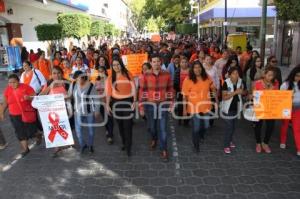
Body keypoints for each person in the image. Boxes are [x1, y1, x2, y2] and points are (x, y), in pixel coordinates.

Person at [139, 54, 174, 161]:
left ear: (161, 62)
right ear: (151, 63)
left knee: (163, 129)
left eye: (158, 61)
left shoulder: (167, 74)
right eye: (154, 62)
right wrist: (141, 106)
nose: (156, 63)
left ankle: (164, 150)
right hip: (150, 105)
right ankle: (154, 138)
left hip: (163, 105)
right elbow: (142, 91)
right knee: (152, 127)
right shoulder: (146, 75)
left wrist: (172, 103)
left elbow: (170, 89)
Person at [182, 61, 217, 153]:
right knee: (196, 127)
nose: (197, 69)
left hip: (206, 106)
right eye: (195, 67)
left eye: (199, 67)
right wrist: (185, 109)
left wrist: (215, 99)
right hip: (193, 107)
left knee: (206, 125)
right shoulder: (188, 79)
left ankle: (201, 135)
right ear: (192, 69)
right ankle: (196, 145)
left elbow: (213, 87)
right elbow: (185, 95)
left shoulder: (207, 77)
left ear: (202, 68)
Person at [0, 74, 37, 157]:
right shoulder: (8, 90)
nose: (12, 84)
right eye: (10, 82)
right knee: (19, 131)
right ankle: (25, 149)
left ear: (18, 81)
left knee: (31, 132)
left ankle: (37, 134)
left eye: (14, 82)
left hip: (27, 113)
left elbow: (35, 97)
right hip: (14, 115)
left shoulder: (26, 87)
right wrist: (2, 112)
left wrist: (29, 98)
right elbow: (5, 102)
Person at [106, 57, 136, 157]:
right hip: (116, 103)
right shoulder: (110, 78)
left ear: (121, 64)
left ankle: (128, 146)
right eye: (114, 65)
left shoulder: (128, 74)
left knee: (128, 125)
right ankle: (124, 142)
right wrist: (107, 105)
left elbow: (134, 88)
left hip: (128, 102)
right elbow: (109, 93)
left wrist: (135, 101)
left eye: (118, 64)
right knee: (120, 125)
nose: (116, 67)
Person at [39, 66, 72, 157]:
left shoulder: (67, 83)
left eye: (58, 73)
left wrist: (63, 98)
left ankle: (65, 143)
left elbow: (71, 96)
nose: (56, 75)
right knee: (54, 127)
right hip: (51, 110)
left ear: (61, 73)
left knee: (63, 126)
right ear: (51, 74)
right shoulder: (49, 82)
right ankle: (56, 147)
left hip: (64, 108)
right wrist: (50, 86)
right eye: (54, 73)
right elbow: (41, 95)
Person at [69, 71, 100, 154]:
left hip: (89, 112)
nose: (77, 80)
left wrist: (96, 111)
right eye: (76, 78)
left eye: (79, 78)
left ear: (83, 77)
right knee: (78, 131)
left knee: (91, 131)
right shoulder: (73, 85)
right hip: (78, 112)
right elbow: (69, 96)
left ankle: (90, 145)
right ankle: (83, 145)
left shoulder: (90, 86)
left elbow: (96, 99)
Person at [252, 67, 279, 153]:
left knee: (270, 126)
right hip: (260, 107)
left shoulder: (275, 83)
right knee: (258, 125)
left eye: (273, 75)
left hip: (271, 108)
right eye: (269, 75)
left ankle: (265, 143)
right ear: (264, 75)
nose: (271, 77)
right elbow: (254, 95)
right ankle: (258, 143)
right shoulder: (258, 83)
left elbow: (277, 95)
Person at [221, 67, 247, 154]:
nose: (236, 75)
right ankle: (226, 145)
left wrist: (242, 92)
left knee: (233, 126)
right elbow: (224, 97)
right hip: (227, 109)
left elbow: (245, 92)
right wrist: (235, 92)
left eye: (237, 73)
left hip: (237, 108)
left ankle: (230, 140)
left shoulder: (241, 81)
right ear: (229, 74)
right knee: (229, 127)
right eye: (233, 73)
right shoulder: (226, 82)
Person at [280, 66, 300, 156]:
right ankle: (283, 141)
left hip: (297, 109)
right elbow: (279, 97)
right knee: (285, 125)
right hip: (286, 108)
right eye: (296, 75)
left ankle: (299, 148)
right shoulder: (286, 84)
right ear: (293, 75)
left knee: (297, 129)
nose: (298, 78)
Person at [174, 56, 190, 126]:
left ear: (188, 63)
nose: (184, 64)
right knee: (180, 106)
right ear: (180, 63)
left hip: (190, 92)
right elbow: (175, 82)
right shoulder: (177, 71)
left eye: (185, 62)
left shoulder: (191, 71)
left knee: (189, 106)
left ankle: (186, 121)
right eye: (182, 62)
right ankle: (180, 118)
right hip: (180, 91)